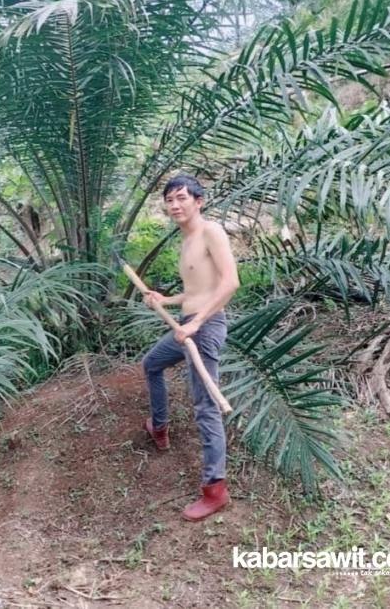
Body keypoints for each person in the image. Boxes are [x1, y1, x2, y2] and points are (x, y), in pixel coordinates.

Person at [141, 173, 239, 521]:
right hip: (187, 326)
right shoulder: (185, 241)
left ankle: (216, 490)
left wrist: (196, 323)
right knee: (151, 364)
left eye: (181, 198)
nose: (175, 205)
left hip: (206, 327)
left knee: (205, 406)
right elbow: (195, 291)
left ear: (199, 201)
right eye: (169, 200)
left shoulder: (211, 231)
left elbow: (229, 284)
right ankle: (160, 426)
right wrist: (165, 300)